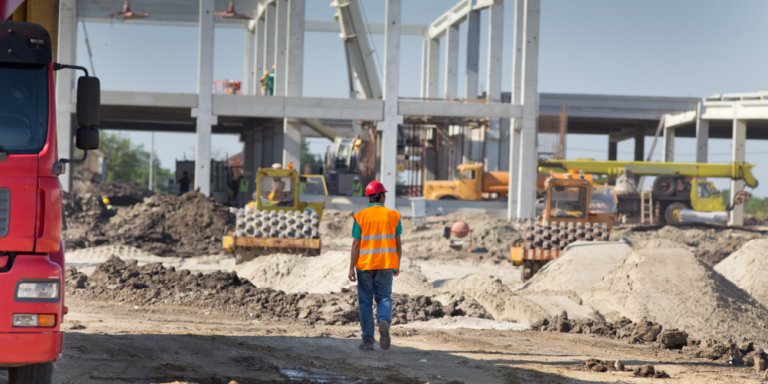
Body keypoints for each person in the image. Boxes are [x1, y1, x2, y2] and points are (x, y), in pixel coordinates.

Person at [348, 181, 402, 351]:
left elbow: (356, 244)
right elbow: (398, 244)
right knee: (384, 298)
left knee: (365, 302)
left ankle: (368, 341)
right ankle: (384, 320)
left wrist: (351, 267)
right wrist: (397, 264)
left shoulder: (361, 216)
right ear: (381, 196)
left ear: (369, 197)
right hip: (386, 264)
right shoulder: (393, 216)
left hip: (365, 266)